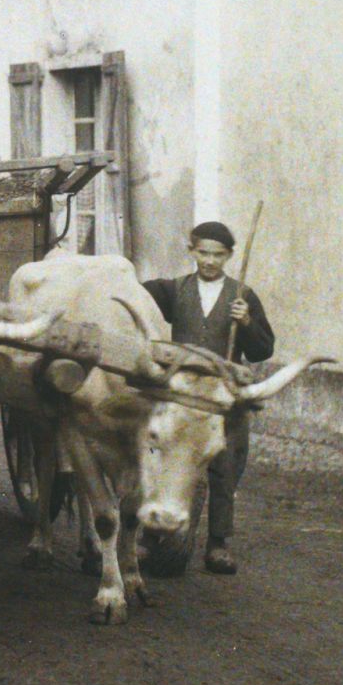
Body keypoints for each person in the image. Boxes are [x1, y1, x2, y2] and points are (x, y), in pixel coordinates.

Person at [141, 219, 275, 577]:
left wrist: (246, 323)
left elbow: (264, 350)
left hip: (222, 396)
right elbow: (137, 297)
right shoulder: (173, 290)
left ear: (229, 256)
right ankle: (153, 533)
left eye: (218, 255)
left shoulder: (243, 296)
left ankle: (218, 543)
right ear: (192, 251)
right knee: (166, 459)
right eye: (203, 253)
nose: (210, 261)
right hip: (181, 394)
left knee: (225, 464)